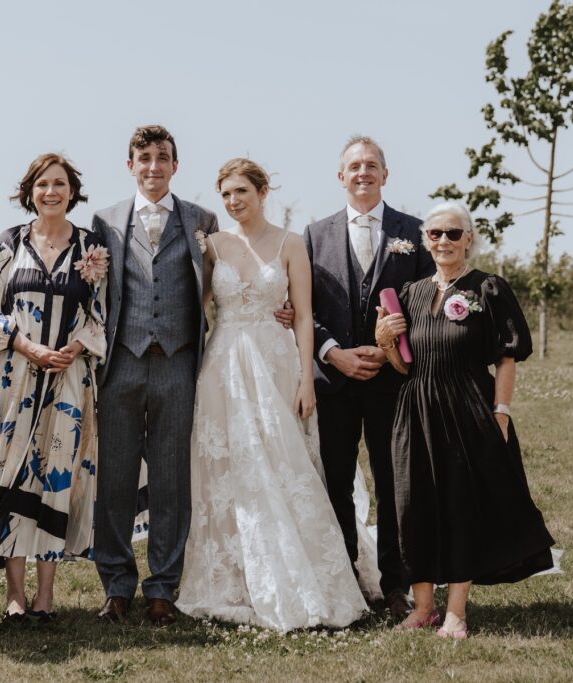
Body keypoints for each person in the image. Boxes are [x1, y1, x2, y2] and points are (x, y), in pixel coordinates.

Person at [92, 126, 292, 626]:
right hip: (121, 362)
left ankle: (163, 586)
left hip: (181, 364)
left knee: (172, 480)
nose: (153, 166)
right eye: (144, 158)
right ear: (130, 165)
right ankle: (117, 586)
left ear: (175, 166)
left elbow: (232, 277)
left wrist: (278, 308)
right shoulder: (105, 221)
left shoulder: (200, 219)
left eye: (163, 158)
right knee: (114, 480)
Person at [176, 159, 368, 631]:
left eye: (241, 191)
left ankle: (305, 574)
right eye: (225, 194)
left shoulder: (291, 243)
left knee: (286, 463)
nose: (232, 201)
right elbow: (196, 310)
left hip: (276, 363)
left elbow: (303, 316)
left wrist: (307, 379)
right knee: (227, 470)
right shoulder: (213, 246)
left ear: (263, 192)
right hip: (222, 366)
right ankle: (232, 579)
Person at [374, 201, 555, 639]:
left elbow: (506, 357)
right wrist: (384, 344)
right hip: (415, 408)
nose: (444, 241)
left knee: (460, 506)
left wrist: (502, 411)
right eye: (435, 234)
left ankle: (455, 611)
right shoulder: (412, 293)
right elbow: (404, 366)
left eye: (453, 233)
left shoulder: (488, 289)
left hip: (466, 406)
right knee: (411, 505)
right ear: (425, 241)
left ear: (469, 238)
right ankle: (422, 608)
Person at [0, 153, 106, 624]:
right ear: (30, 191)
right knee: (14, 473)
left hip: (68, 379)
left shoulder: (92, 247)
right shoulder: (10, 244)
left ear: (73, 191)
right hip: (17, 378)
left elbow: (103, 313)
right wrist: (24, 344)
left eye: (60, 184)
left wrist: (75, 345)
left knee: (56, 479)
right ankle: (14, 594)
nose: (51, 192)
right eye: (43, 184)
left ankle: (46, 595)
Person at [303, 135, 434, 619]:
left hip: (392, 383)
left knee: (395, 483)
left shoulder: (414, 233)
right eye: (354, 166)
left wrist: (392, 349)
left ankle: (396, 585)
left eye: (371, 165)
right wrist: (333, 353)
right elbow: (303, 309)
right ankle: (346, 580)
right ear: (341, 177)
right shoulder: (314, 235)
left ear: (385, 174)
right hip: (335, 382)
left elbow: (426, 305)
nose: (363, 172)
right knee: (334, 481)